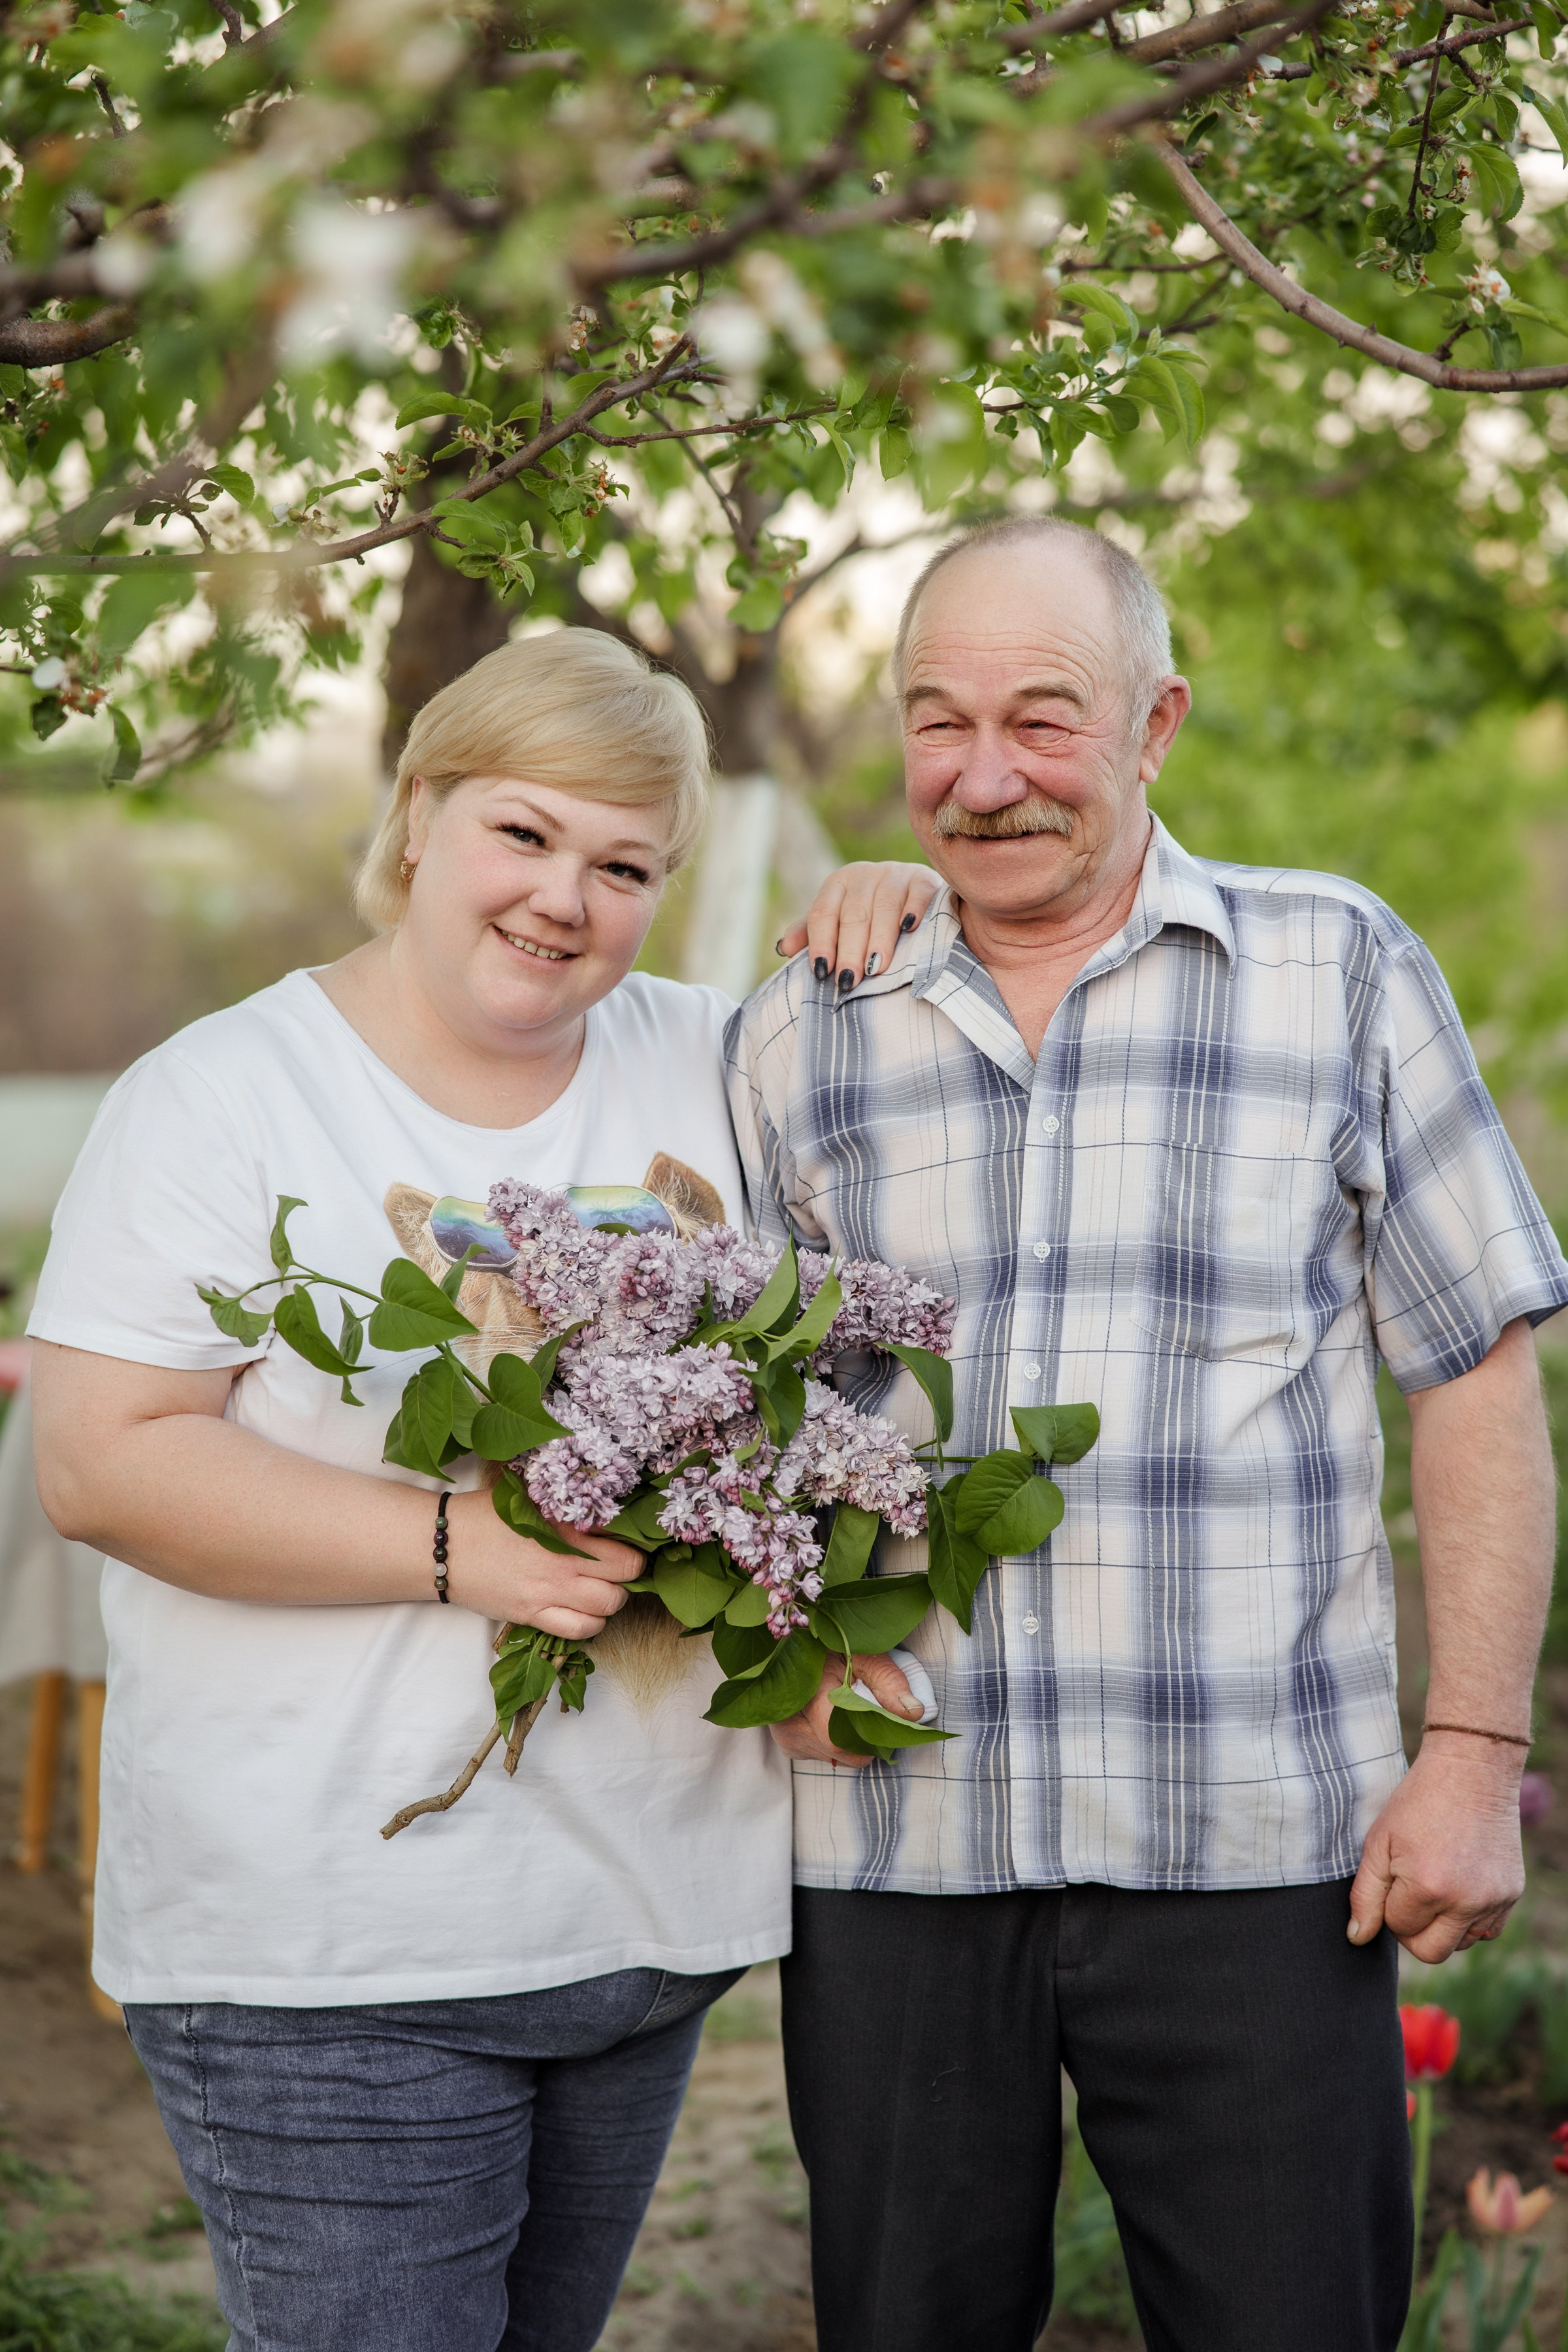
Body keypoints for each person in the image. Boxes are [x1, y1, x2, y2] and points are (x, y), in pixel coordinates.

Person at [26, 626, 930, 2352]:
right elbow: (100, 1462)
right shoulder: (227, 1098)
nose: (562, 900)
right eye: (524, 833)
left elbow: (907, 1172)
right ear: (420, 814)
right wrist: (461, 1544)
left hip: (641, 1933)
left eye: (623, 865)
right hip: (337, 1951)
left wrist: (900, 909)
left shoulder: (712, 1062)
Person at [726, 515, 1568, 2352]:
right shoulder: (801, 1026)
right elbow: (737, 1409)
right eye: (937, 721)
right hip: (897, 1852)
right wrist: (773, 1640)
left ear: (1158, 721)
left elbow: (1477, 1367)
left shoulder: (1334, 969)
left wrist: (1472, 1753)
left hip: (1260, 1857)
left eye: (1046, 716)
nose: (985, 771)